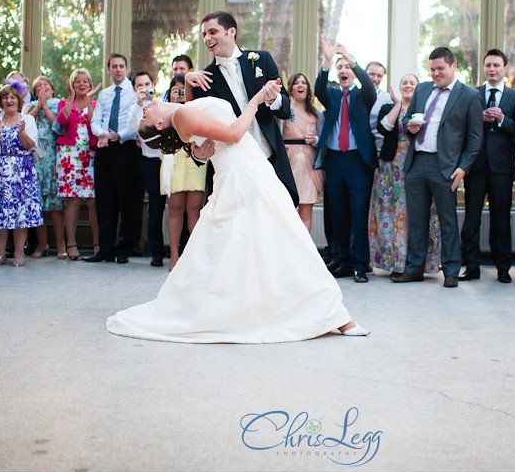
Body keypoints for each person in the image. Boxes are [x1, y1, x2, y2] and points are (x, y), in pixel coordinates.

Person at [107, 85, 368, 342]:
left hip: (244, 171)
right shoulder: (181, 116)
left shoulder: (180, 113)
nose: (144, 109)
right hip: (244, 175)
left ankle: (314, 311)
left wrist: (187, 84)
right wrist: (255, 101)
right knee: (288, 239)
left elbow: (195, 119)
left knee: (257, 245)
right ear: (161, 124)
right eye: (144, 117)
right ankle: (333, 315)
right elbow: (233, 135)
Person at [185, 11, 298, 205]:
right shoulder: (203, 80)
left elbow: (285, 109)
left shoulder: (262, 59)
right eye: (204, 34)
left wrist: (273, 99)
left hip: (270, 160)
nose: (207, 38)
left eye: (213, 31)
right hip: (233, 171)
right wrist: (198, 155)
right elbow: (194, 132)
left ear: (231, 32)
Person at [393, 46, 483, 288]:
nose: (435, 73)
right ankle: (414, 269)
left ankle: (452, 270)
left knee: (448, 220)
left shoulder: (469, 96)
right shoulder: (421, 89)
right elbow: (405, 118)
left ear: (453, 66)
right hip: (416, 162)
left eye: (440, 68)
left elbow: (475, 138)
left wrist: (463, 168)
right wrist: (408, 127)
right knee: (417, 220)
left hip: (446, 168)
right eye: (432, 69)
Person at [313, 40, 377, 283]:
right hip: (335, 161)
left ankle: (360, 264)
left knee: (358, 212)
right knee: (336, 213)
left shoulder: (363, 95)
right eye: (339, 68)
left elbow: (369, 85)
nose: (343, 71)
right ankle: (341, 261)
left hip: (358, 161)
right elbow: (318, 88)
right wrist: (327, 61)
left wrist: (349, 58)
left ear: (352, 71)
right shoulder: (330, 95)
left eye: (346, 67)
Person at [461, 49, 515, 283]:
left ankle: (502, 269)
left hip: (501, 168)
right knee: (472, 219)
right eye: (488, 65)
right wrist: (480, 119)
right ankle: (471, 267)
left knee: (501, 219)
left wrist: (501, 119)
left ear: (504, 68)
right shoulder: (473, 94)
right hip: (476, 166)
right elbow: (465, 127)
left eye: (496, 65)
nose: (492, 69)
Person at [369, 73, 441, 277]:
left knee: (413, 214)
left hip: (416, 165)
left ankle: (416, 263)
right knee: (390, 214)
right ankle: (395, 263)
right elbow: (384, 128)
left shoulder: (425, 109)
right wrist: (397, 104)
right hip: (390, 169)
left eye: (412, 82)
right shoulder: (389, 108)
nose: (408, 85)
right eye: (404, 82)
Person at [0, 85, 42, 267]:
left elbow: (31, 146)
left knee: (21, 213)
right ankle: (0, 254)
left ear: (18, 101)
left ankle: (19, 253)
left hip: (22, 172)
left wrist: (21, 132)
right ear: (1, 101)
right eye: (5, 97)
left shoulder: (28, 119)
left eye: (13, 97)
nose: (9, 100)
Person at [88, 54, 141, 264]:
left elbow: (137, 122)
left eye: (121, 66)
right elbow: (96, 119)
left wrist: (120, 135)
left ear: (126, 69)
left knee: (126, 201)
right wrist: (101, 133)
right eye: (114, 67)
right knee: (104, 201)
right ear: (108, 70)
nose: (118, 70)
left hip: (125, 147)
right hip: (104, 148)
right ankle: (105, 250)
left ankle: (123, 250)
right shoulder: (104, 94)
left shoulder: (135, 93)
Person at [160, 75, 205, 269]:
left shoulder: (196, 110)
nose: (179, 93)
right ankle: (174, 255)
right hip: (174, 161)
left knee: (194, 210)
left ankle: (194, 257)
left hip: (194, 160)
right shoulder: (163, 113)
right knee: (175, 209)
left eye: (182, 90)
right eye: (175, 90)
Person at [56, 68, 100, 261]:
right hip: (69, 155)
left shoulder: (96, 104)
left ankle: (98, 244)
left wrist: (89, 100)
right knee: (73, 200)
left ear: (90, 85)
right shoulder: (63, 103)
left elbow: (94, 124)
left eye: (85, 82)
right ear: (72, 85)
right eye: (77, 82)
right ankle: (71, 244)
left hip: (90, 155)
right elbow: (62, 120)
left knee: (93, 201)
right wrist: (70, 98)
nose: (81, 85)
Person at [127, 70, 166, 267]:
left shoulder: (161, 104)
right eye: (139, 86)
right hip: (149, 161)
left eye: (146, 84)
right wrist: (139, 105)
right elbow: (132, 128)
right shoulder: (135, 107)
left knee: (168, 206)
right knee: (154, 207)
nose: (143, 89)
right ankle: (156, 252)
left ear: (153, 84)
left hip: (167, 160)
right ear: (134, 89)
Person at [24, 76, 65, 257]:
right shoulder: (29, 106)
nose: (43, 87)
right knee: (37, 203)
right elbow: (23, 124)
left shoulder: (59, 104)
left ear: (53, 90)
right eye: (38, 86)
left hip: (54, 157)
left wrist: (46, 107)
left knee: (55, 205)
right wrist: (37, 107)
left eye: (46, 84)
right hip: (35, 159)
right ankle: (42, 244)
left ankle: (61, 245)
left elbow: (57, 126)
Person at [281, 72, 323, 232]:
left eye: (303, 83)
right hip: (289, 163)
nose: (300, 85)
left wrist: (315, 140)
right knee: (287, 211)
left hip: (309, 165)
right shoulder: (284, 112)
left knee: (306, 212)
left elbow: (324, 140)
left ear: (308, 89)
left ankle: (304, 254)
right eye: (296, 83)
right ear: (291, 88)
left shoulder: (316, 114)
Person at [366, 61, 392, 155]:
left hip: (378, 150)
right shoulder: (353, 95)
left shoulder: (388, 99)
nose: (375, 79)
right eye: (372, 74)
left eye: (379, 76)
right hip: (355, 151)